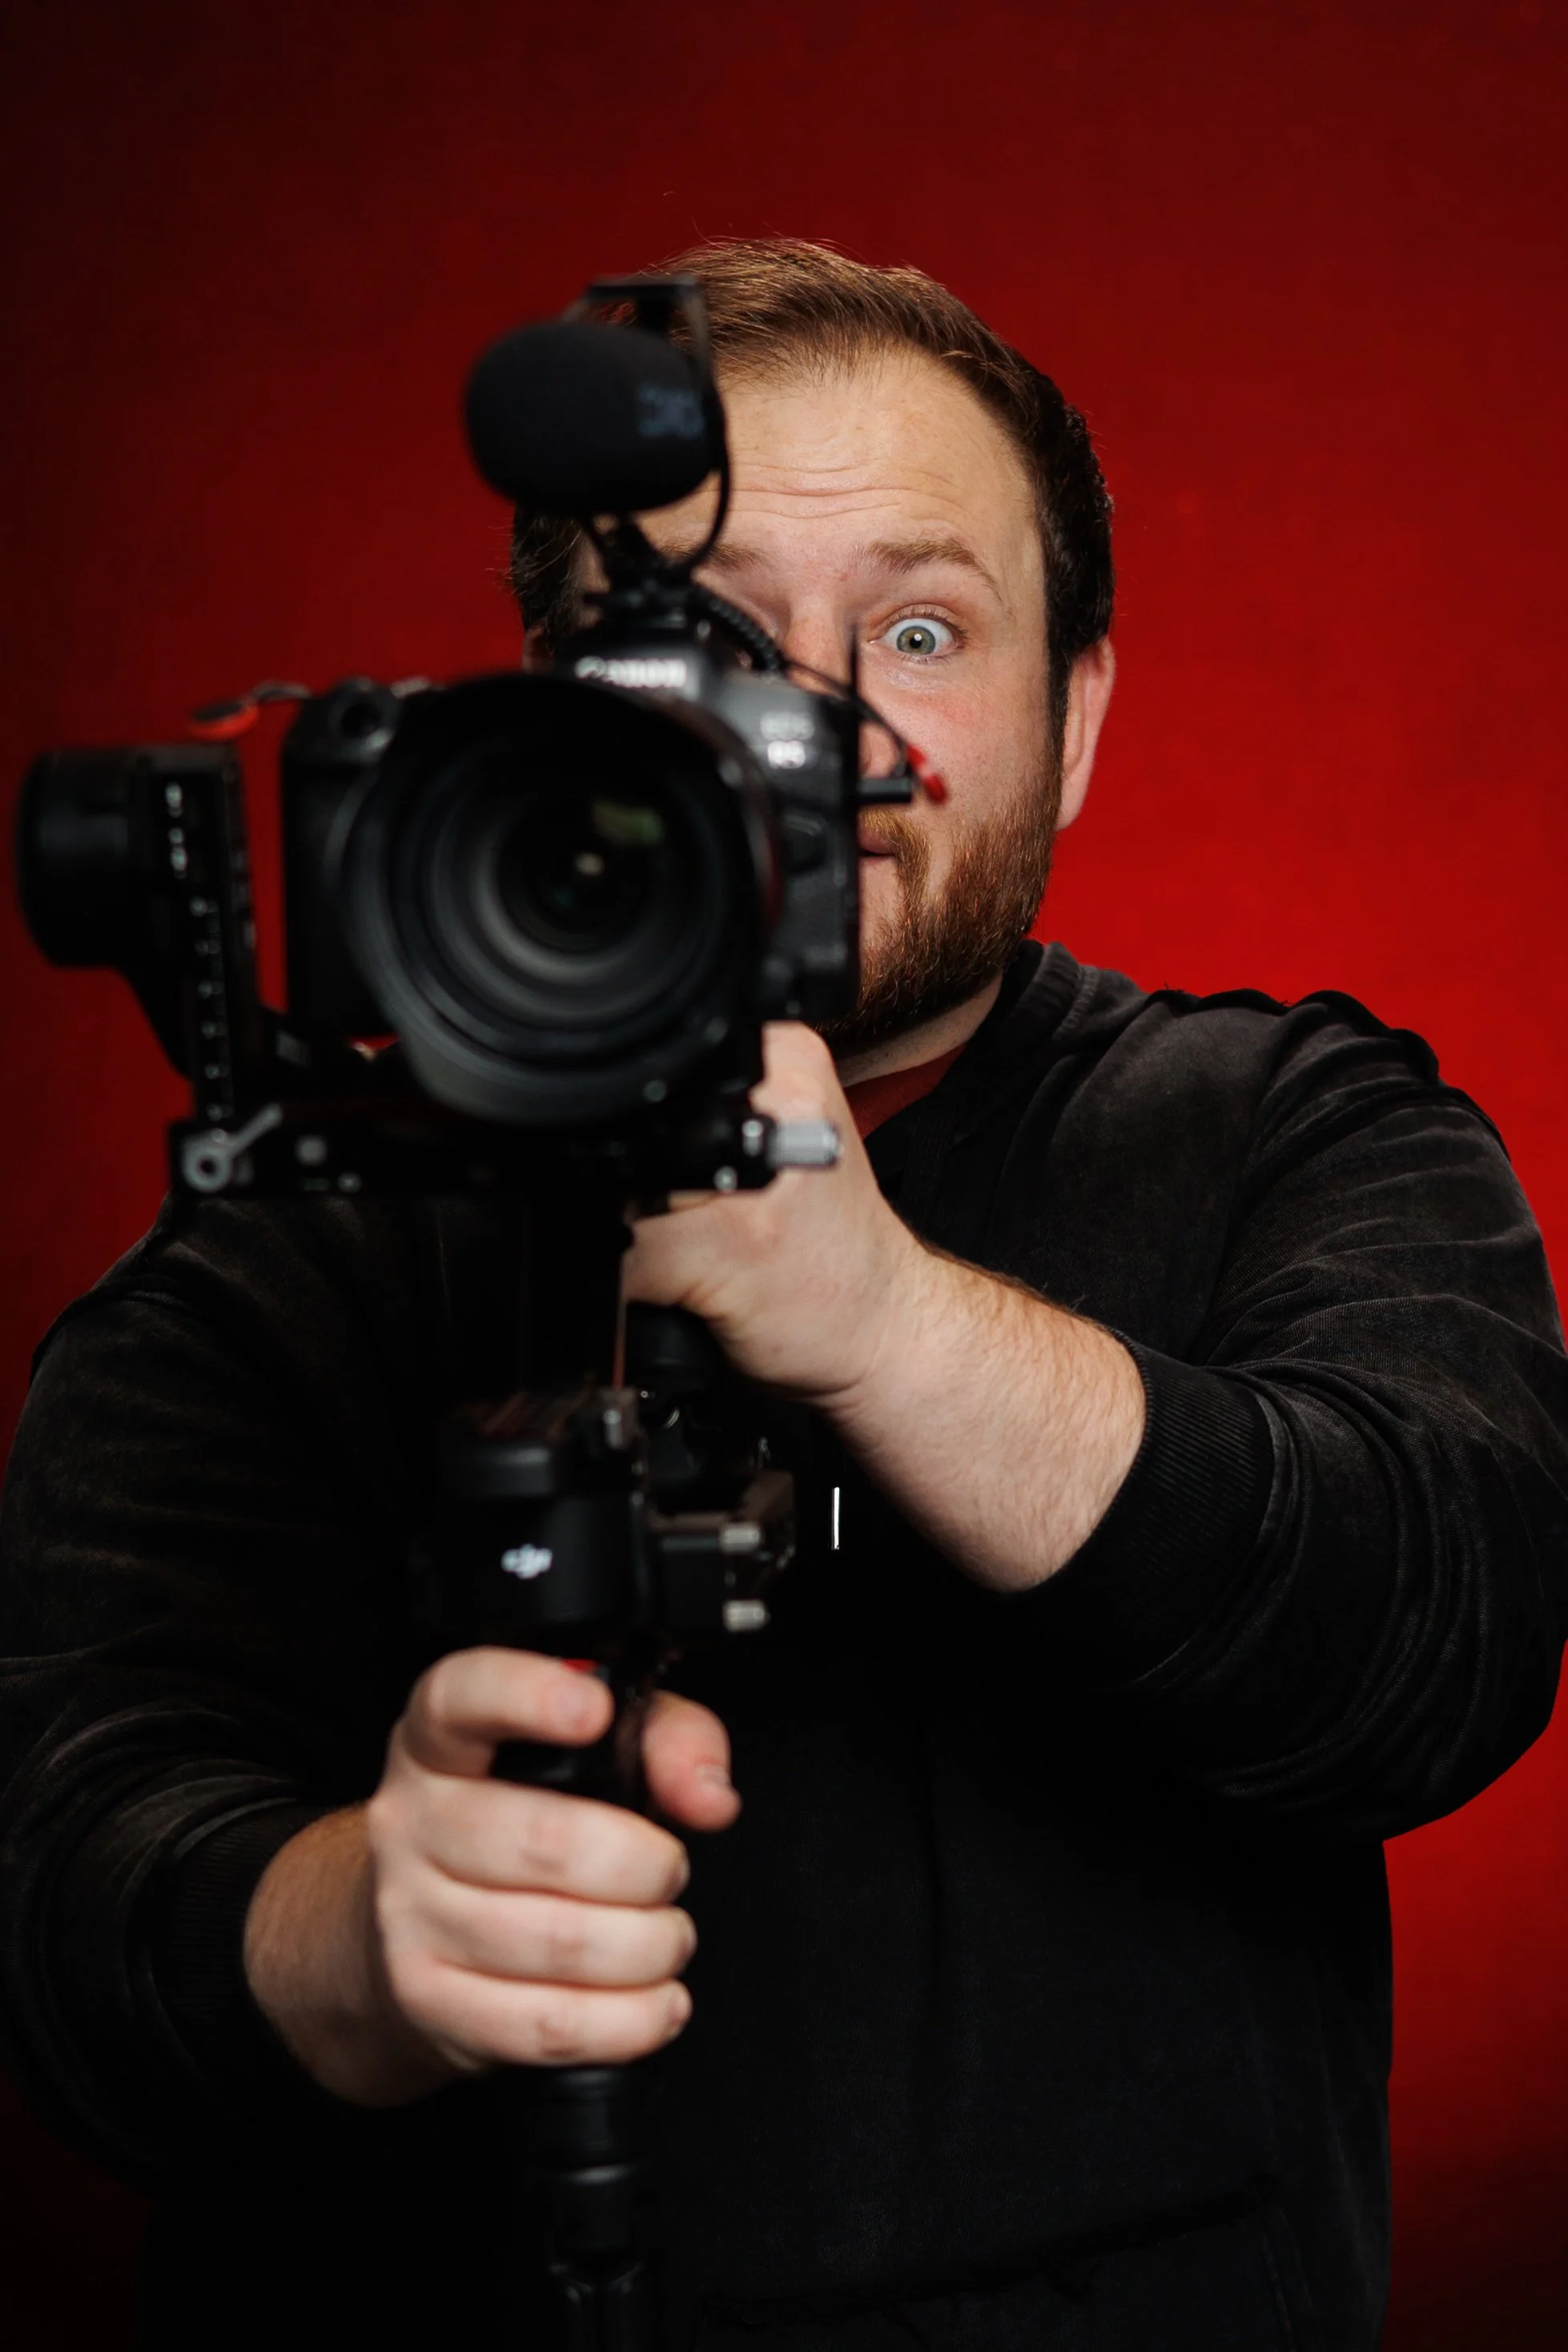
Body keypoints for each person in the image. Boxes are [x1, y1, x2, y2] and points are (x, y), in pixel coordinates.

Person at [2, 238, 1565, 2352]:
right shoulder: (308, 1221)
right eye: (706, 641)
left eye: (916, 630)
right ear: (541, 713)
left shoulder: (1294, 1129)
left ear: (1074, 719)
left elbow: (1430, 1636)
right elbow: (67, 1886)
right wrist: (356, 1947)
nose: (802, 736)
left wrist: (877, 1315)